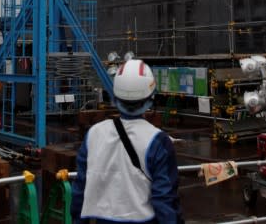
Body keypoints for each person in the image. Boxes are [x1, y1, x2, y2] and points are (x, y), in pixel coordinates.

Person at [71, 58, 183, 223]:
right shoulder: (158, 140)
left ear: (116, 96)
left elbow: (80, 189)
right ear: (150, 97)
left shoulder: (94, 134)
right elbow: (165, 200)